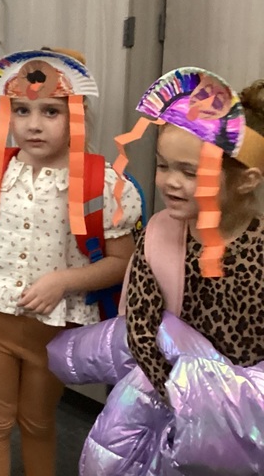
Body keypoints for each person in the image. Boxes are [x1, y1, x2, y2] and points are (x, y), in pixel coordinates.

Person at [48, 70, 264, 474]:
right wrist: (181, 394)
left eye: (191, 172)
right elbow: (142, 327)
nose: (171, 182)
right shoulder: (159, 233)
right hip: (164, 399)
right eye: (164, 166)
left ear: (246, 181)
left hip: (240, 423)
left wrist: (223, 401)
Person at [0, 49, 141, 476]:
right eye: (21, 110)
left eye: (51, 111)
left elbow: (120, 262)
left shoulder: (101, 184)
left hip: (56, 327)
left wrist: (63, 280)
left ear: (76, 115)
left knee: (37, 422)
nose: (33, 124)